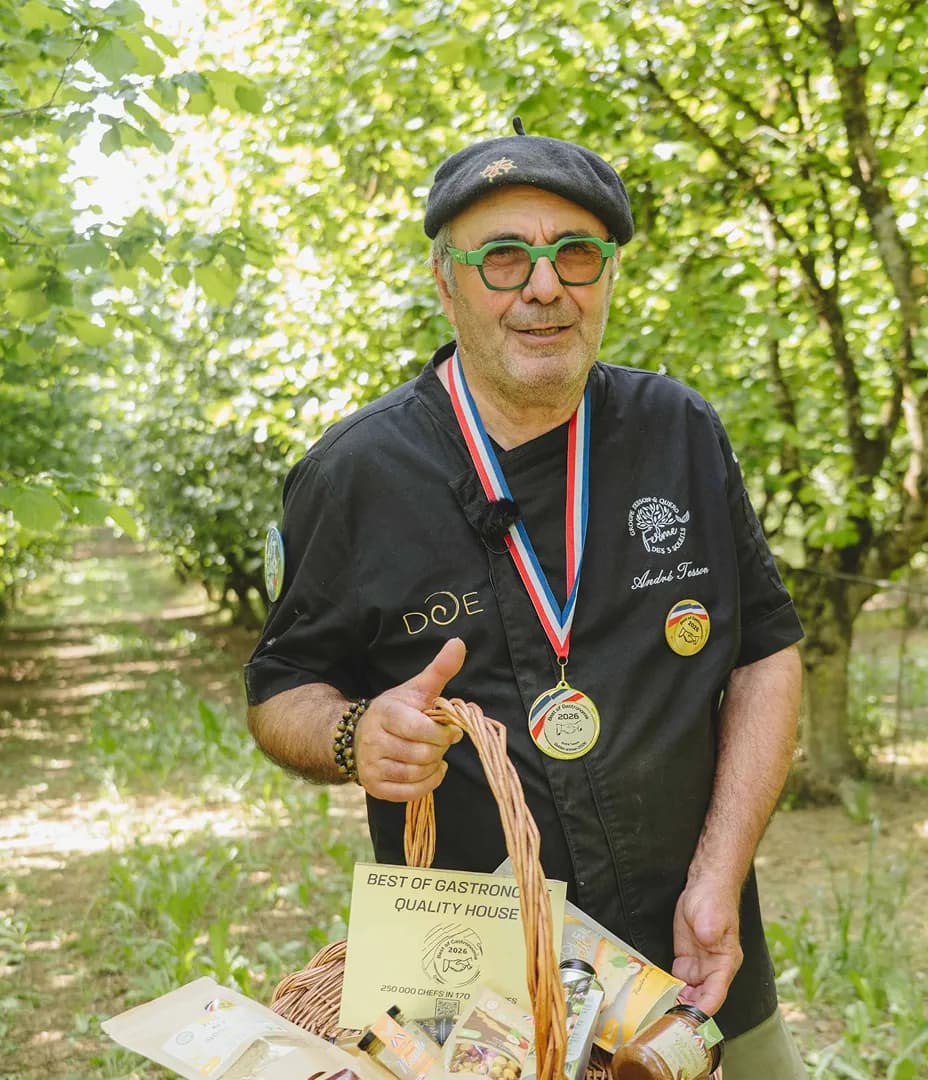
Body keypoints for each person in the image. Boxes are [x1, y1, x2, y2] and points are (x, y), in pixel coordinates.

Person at [245, 119, 807, 1079]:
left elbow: (765, 651)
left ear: (606, 277)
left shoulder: (679, 430)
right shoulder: (355, 475)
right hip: (469, 1006)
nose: (544, 286)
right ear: (447, 280)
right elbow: (279, 689)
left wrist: (717, 879)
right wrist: (355, 737)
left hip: (693, 964)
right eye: (504, 258)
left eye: (574, 254)